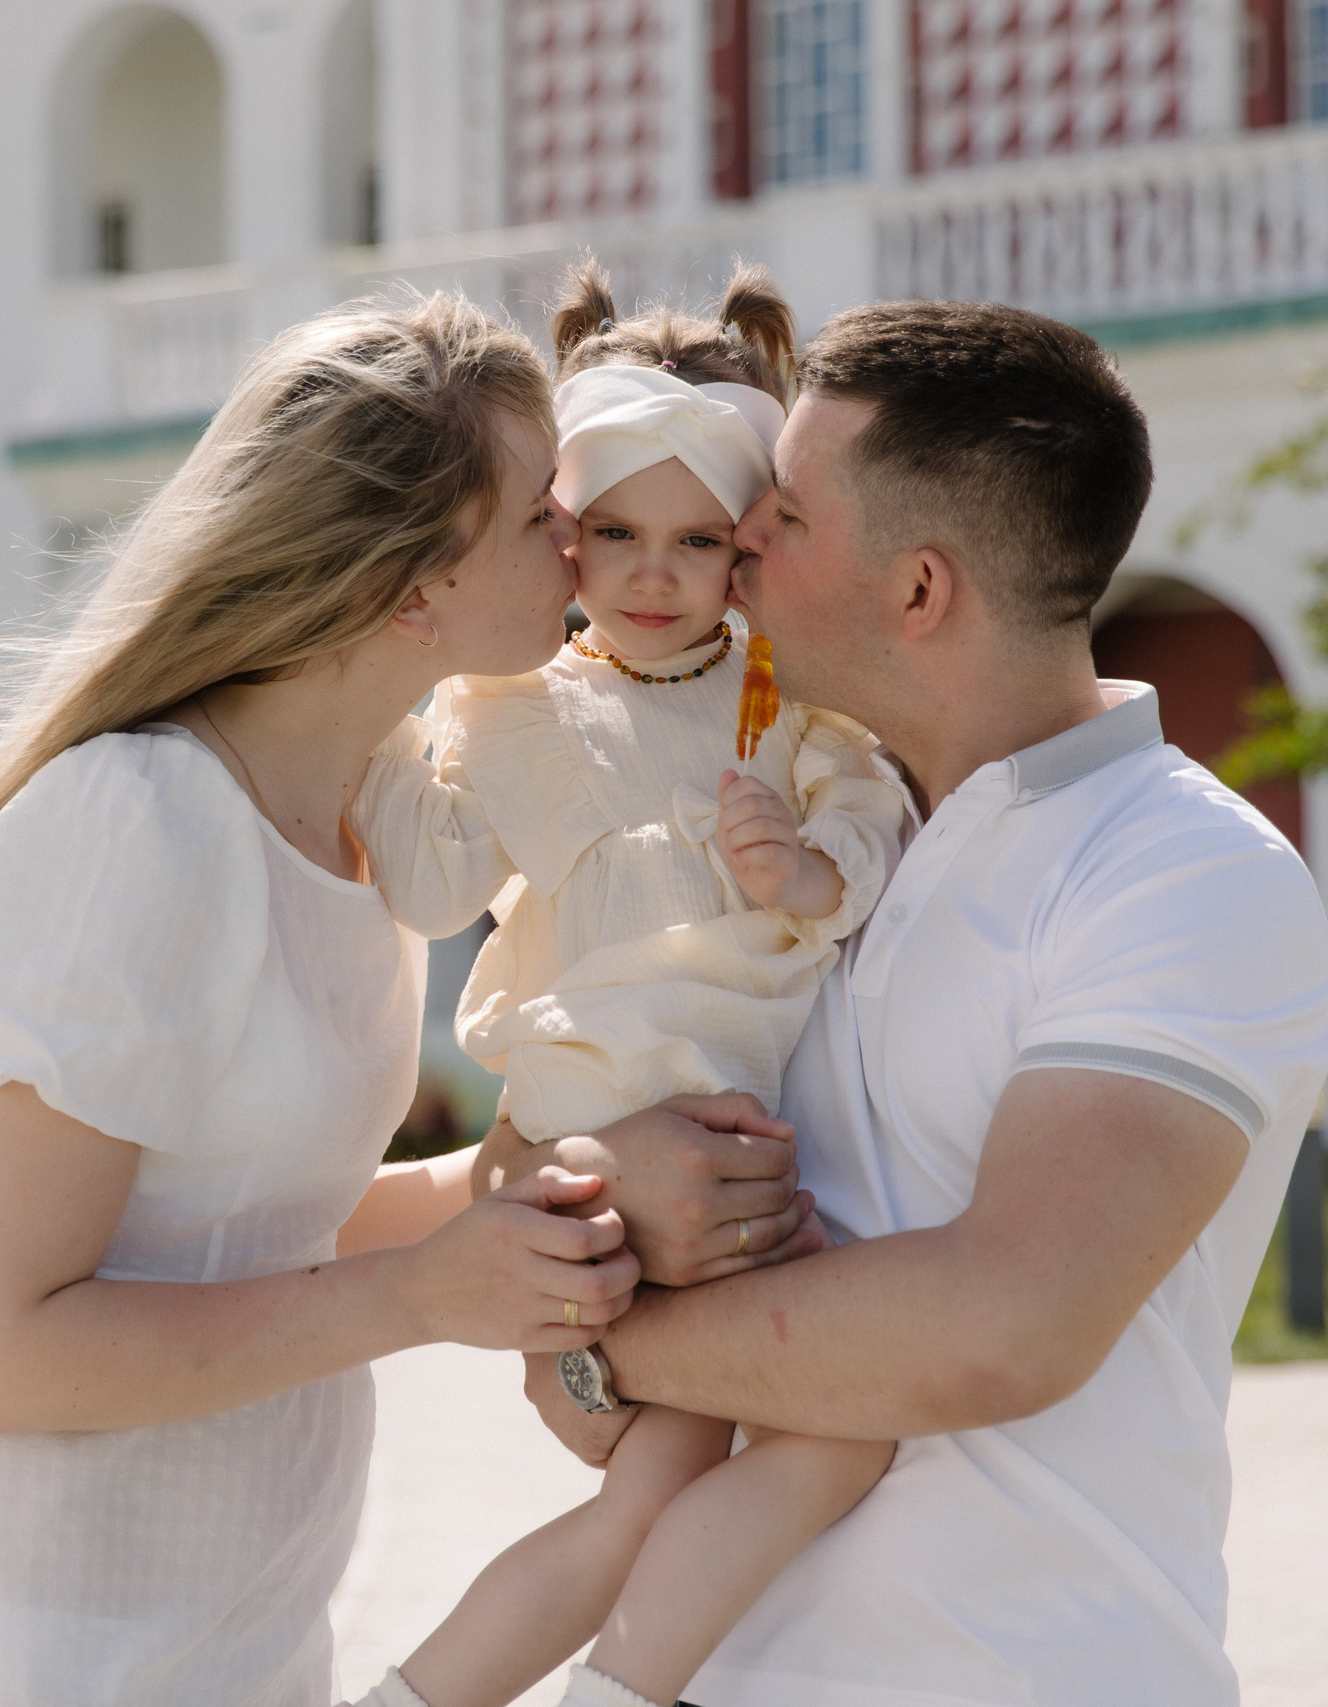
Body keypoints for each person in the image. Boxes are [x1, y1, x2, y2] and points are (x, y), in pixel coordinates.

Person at [479, 299, 1328, 1706]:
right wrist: (575, 1208)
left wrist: (604, 1337)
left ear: (922, 589)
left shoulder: (1185, 875)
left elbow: (1004, 1324)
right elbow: (541, 1159)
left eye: (787, 517)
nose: (741, 536)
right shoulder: (811, 839)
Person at [0, 293, 650, 1707]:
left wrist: (545, 1180)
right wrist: (421, 1298)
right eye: (536, 512)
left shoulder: (369, 817)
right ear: (411, 585)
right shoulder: (137, 826)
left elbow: (246, 1226)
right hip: (43, 1648)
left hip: (224, 1622)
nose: (582, 536)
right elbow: (6, 1354)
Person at [340, 265, 906, 1707]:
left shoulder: (785, 703)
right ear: (564, 534)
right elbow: (431, 881)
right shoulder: (510, 706)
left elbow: (872, 813)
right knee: (803, 1440)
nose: (654, 578)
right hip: (607, 1142)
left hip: (731, 1155)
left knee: (699, 1477)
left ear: (747, 547)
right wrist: (390, 699)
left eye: (696, 541)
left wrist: (808, 872)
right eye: (616, 535)